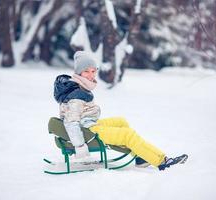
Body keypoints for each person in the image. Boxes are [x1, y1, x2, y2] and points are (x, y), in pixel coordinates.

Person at [53, 51, 187, 170]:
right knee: (128, 135)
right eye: (86, 71)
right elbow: (71, 122)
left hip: (89, 125)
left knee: (121, 122)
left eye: (93, 71)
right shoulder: (76, 95)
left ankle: (140, 157)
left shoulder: (79, 87)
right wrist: (80, 146)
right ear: (79, 72)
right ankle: (162, 161)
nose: (91, 75)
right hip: (88, 131)